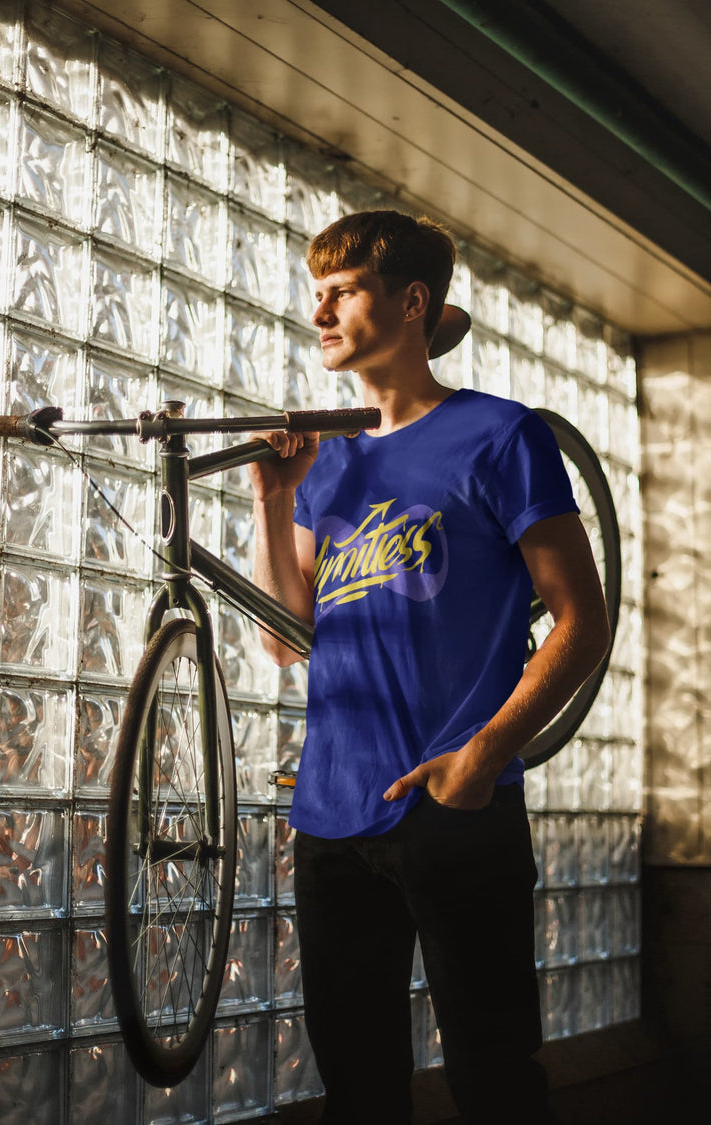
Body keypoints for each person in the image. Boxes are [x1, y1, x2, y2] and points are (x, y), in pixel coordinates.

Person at [248, 210, 610, 1123]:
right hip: (332, 814)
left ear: (412, 303)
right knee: (359, 1094)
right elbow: (284, 638)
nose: (320, 312)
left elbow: (582, 617)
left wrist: (484, 757)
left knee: (494, 1081)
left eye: (343, 291)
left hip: (457, 802)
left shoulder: (501, 435)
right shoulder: (326, 467)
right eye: (315, 294)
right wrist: (271, 500)